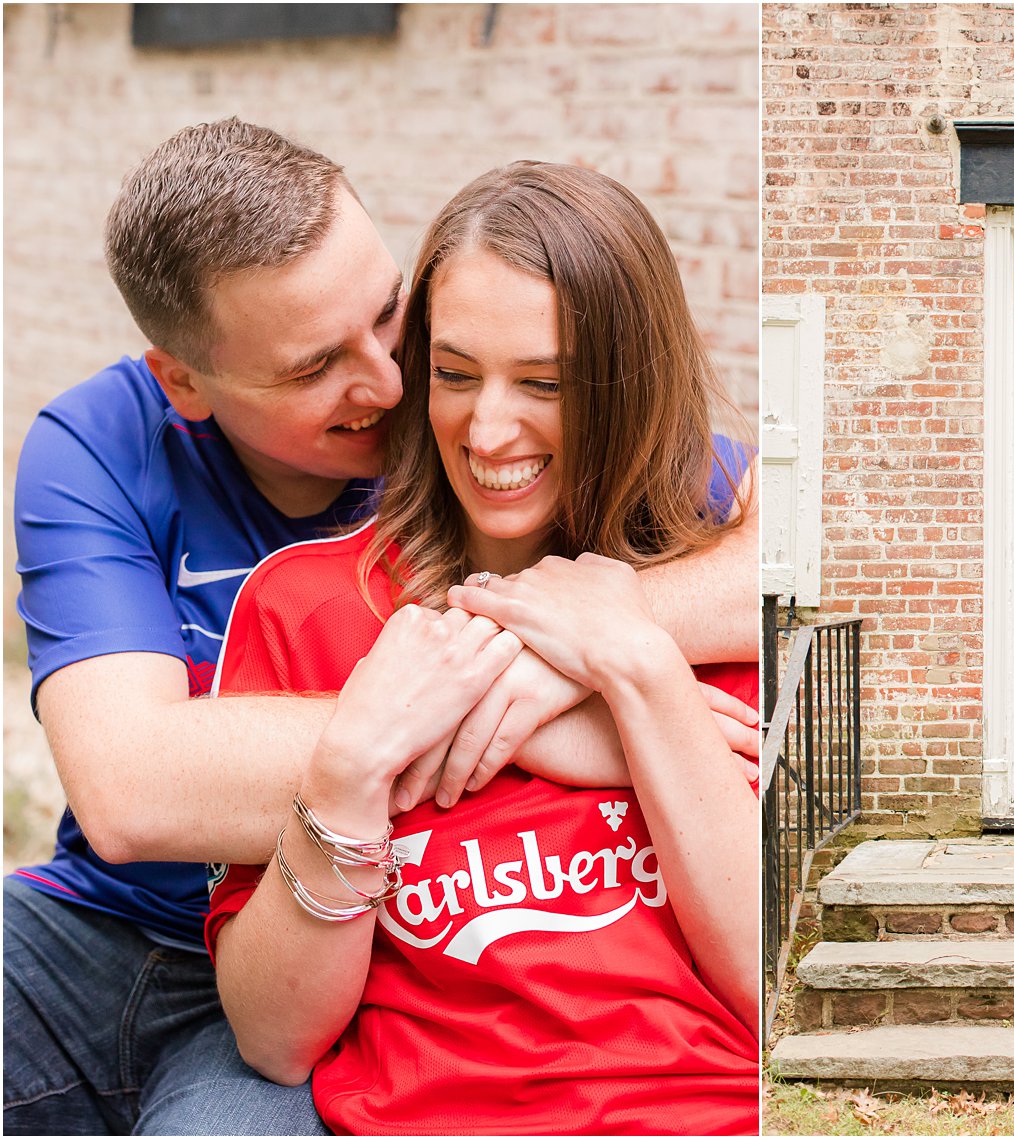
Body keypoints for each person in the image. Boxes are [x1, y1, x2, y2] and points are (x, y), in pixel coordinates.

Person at [6, 120, 757, 1135]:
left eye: (389, 313)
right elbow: (133, 790)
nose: (394, 384)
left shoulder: (489, 413)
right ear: (182, 382)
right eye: (319, 363)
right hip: (135, 920)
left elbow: (782, 525)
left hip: (347, 968)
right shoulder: (100, 451)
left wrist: (607, 653)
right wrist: (541, 713)